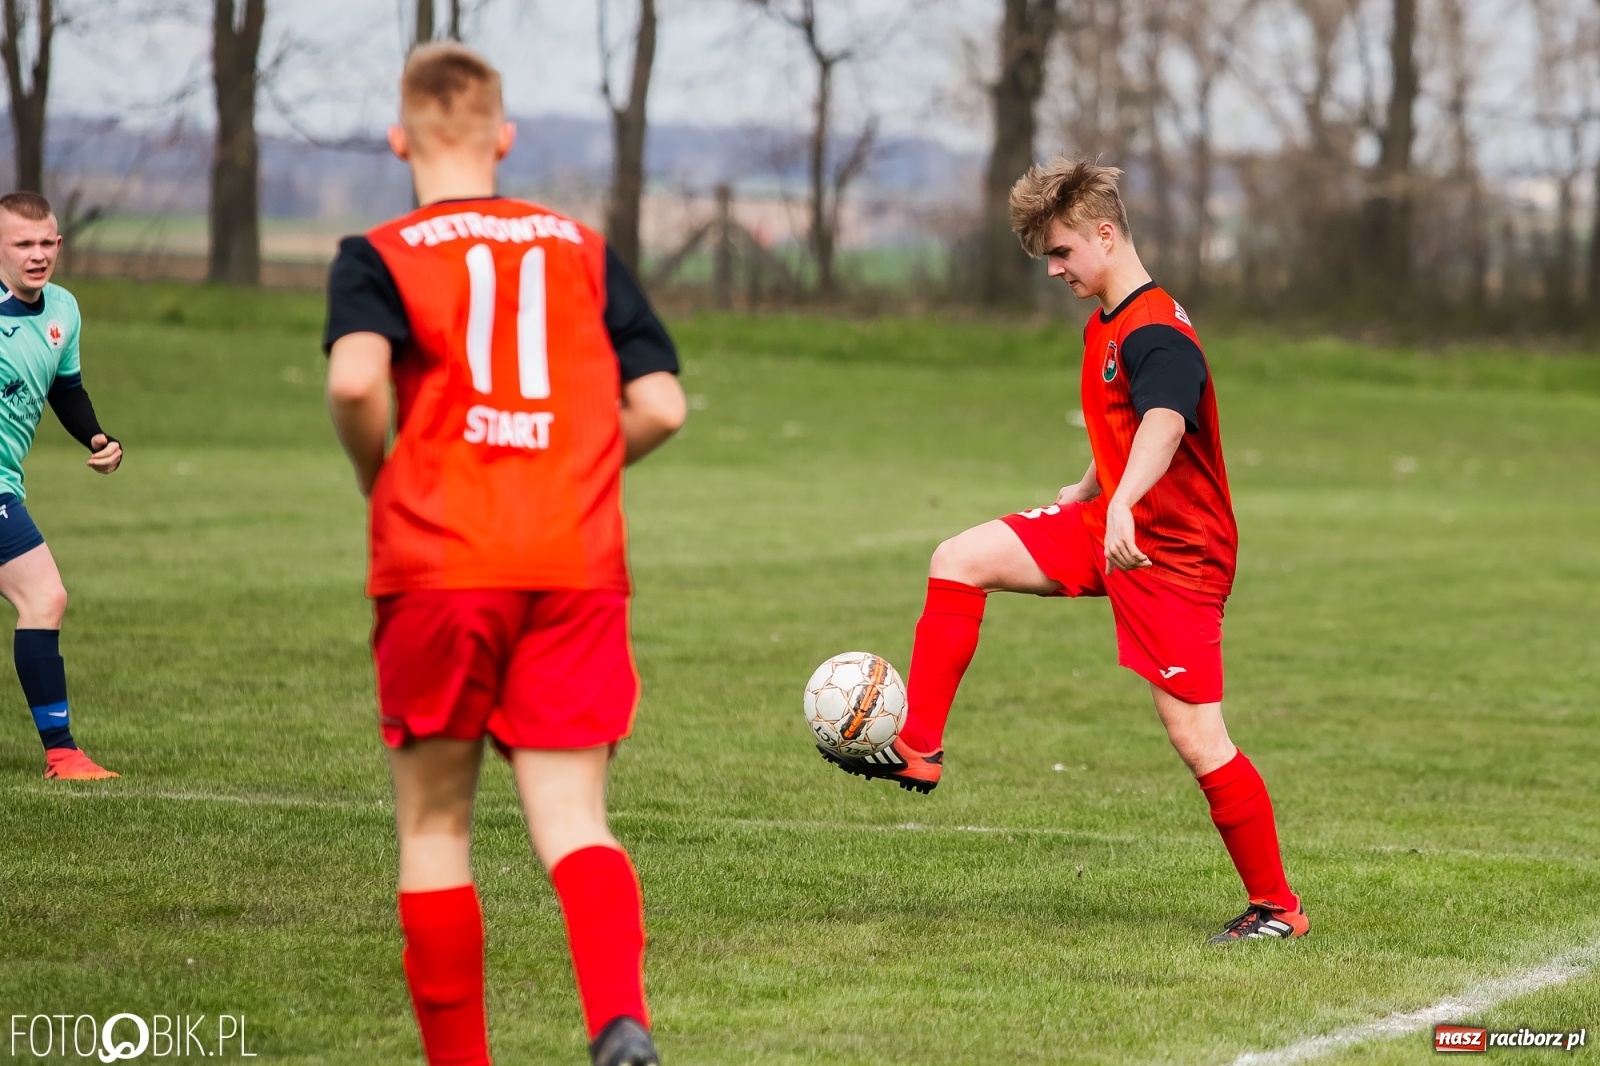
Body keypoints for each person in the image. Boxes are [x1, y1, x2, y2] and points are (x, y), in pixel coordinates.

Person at [820, 159, 1308, 945]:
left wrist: (1121, 499)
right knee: (959, 558)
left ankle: (1277, 908)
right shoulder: (1107, 322)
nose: (1053, 270)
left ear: (1104, 236)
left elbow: (1165, 422)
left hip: (1174, 555)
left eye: (1060, 253)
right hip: (1112, 525)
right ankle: (919, 748)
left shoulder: (1156, 331)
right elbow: (1126, 422)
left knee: (1197, 739)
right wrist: (1091, 488)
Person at [323, 44, 685, 1066]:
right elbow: (660, 401)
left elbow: (356, 384)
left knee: (436, 830)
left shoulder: (379, 251)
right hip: (571, 560)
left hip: (440, 559)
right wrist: (577, 466)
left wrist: (374, 474)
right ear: (505, 138)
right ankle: (620, 1019)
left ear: (400, 139)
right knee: (573, 817)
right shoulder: (579, 245)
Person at [0, 192, 123, 781]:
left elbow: (65, 388)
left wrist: (98, 439)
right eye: (23, 243)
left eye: (47, 242)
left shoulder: (64, 310)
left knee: (42, 599)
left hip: (5, 484)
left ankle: (63, 753)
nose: (38, 254)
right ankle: (63, 753)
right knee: (43, 597)